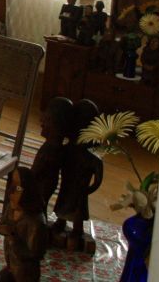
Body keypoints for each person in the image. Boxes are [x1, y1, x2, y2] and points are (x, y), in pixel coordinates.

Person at [52, 98, 104, 251]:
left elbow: (98, 178)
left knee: (77, 211)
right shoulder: (70, 151)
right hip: (70, 186)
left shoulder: (90, 157)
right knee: (64, 205)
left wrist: (88, 190)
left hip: (78, 189)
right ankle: (61, 223)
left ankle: (76, 230)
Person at [0, 167, 48, 282]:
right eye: (12, 185)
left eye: (18, 188)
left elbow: (35, 254)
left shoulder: (36, 223)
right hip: (11, 264)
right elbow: (0, 226)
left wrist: (13, 237)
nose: (11, 192)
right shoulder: (11, 208)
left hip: (26, 273)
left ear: (29, 191)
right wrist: (5, 229)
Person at [30, 96, 72, 216]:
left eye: (47, 119)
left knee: (37, 205)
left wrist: (25, 178)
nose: (41, 121)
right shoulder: (56, 148)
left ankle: (37, 221)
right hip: (47, 183)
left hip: (43, 183)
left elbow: (37, 170)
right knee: (40, 204)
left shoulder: (51, 150)